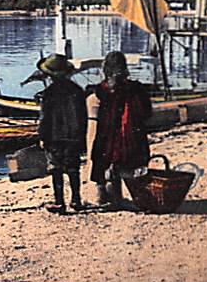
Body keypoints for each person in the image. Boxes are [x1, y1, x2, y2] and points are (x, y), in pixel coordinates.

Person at [88, 51, 152, 210]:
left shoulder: (99, 91)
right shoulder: (136, 89)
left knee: (103, 159)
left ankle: (104, 195)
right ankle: (122, 196)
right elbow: (147, 112)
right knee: (126, 161)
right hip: (130, 135)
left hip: (106, 134)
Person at [36, 53, 88, 214]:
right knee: (73, 169)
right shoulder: (77, 91)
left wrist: (42, 137)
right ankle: (76, 199)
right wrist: (82, 137)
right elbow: (83, 117)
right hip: (74, 136)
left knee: (56, 169)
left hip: (54, 137)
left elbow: (44, 119)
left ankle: (60, 202)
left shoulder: (48, 93)